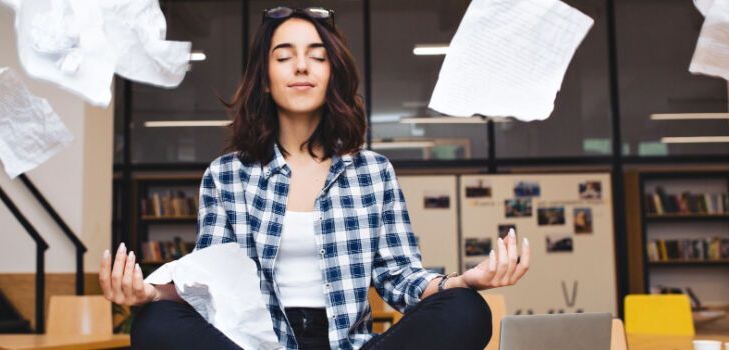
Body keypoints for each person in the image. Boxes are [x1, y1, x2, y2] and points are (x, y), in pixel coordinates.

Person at [99, 6, 532, 350]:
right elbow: (211, 283)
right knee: (154, 324)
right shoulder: (226, 175)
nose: (301, 67)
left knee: (466, 311)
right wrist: (148, 295)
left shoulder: (372, 172)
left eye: (317, 57)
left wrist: (463, 281)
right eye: (284, 57)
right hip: (256, 344)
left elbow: (400, 278)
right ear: (265, 81)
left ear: (332, 75)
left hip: (348, 343)